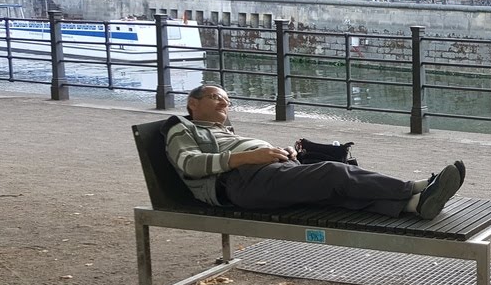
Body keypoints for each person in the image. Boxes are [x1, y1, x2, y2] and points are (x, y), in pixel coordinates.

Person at [165, 85, 464, 220]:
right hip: (240, 185)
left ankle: (415, 205)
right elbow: (190, 164)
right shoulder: (182, 127)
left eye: (227, 101)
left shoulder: (223, 131)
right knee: (332, 172)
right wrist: (248, 157)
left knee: (334, 190)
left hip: (262, 176)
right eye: (215, 97)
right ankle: (415, 187)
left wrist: (280, 152)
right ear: (193, 103)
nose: (224, 104)